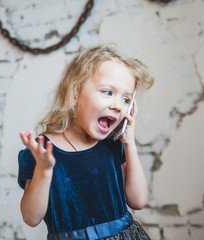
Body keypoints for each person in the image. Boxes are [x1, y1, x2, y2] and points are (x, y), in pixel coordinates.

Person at [18, 44, 154, 240]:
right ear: (74, 94)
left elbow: (138, 200)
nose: (117, 106)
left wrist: (129, 142)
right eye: (108, 92)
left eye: (126, 99)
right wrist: (44, 170)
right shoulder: (42, 151)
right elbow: (31, 218)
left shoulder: (113, 144)